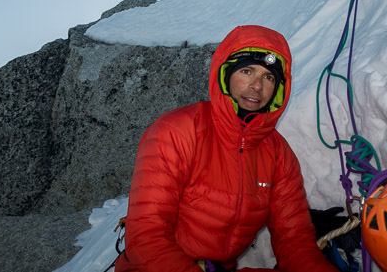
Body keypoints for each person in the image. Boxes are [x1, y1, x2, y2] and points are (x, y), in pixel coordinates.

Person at [115, 25, 336, 272]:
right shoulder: (177, 131)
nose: (257, 86)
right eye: (247, 71)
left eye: (269, 77)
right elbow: (147, 236)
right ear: (225, 75)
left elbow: (295, 242)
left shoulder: (278, 154)